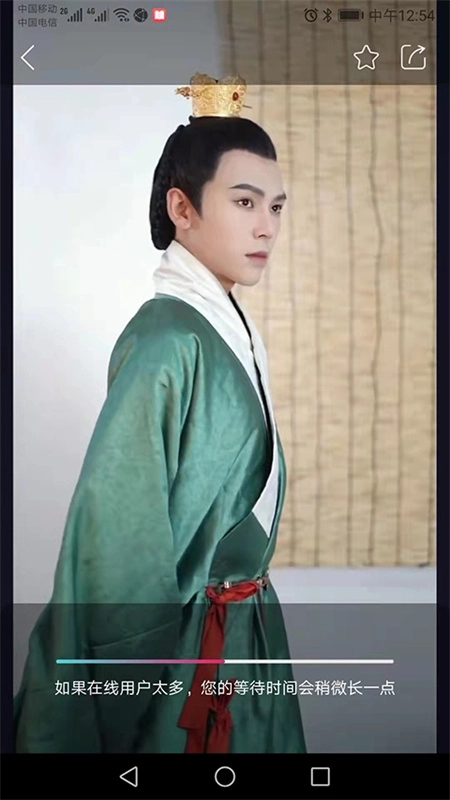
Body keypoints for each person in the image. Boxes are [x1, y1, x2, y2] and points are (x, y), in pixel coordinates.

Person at [14, 73, 307, 754]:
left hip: (239, 631)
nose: (266, 225)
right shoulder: (168, 341)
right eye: (244, 201)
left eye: (276, 206)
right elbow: (118, 539)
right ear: (183, 207)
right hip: (184, 654)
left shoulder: (225, 328)